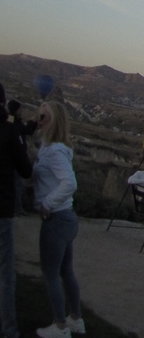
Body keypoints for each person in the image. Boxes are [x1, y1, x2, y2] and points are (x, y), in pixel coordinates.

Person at [32, 101, 84, 338]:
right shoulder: (54, 148)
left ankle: (60, 326)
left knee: (51, 274)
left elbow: (69, 183)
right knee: (66, 271)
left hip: (57, 219)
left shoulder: (53, 152)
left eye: (44, 115)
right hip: (67, 218)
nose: (38, 117)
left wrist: (46, 203)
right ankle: (76, 320)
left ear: (54, 121)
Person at [0, 84, 33, 338]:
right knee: (5, 272)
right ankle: (8, 329)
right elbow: (25, 169)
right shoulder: (10, 131)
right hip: (2, 207)